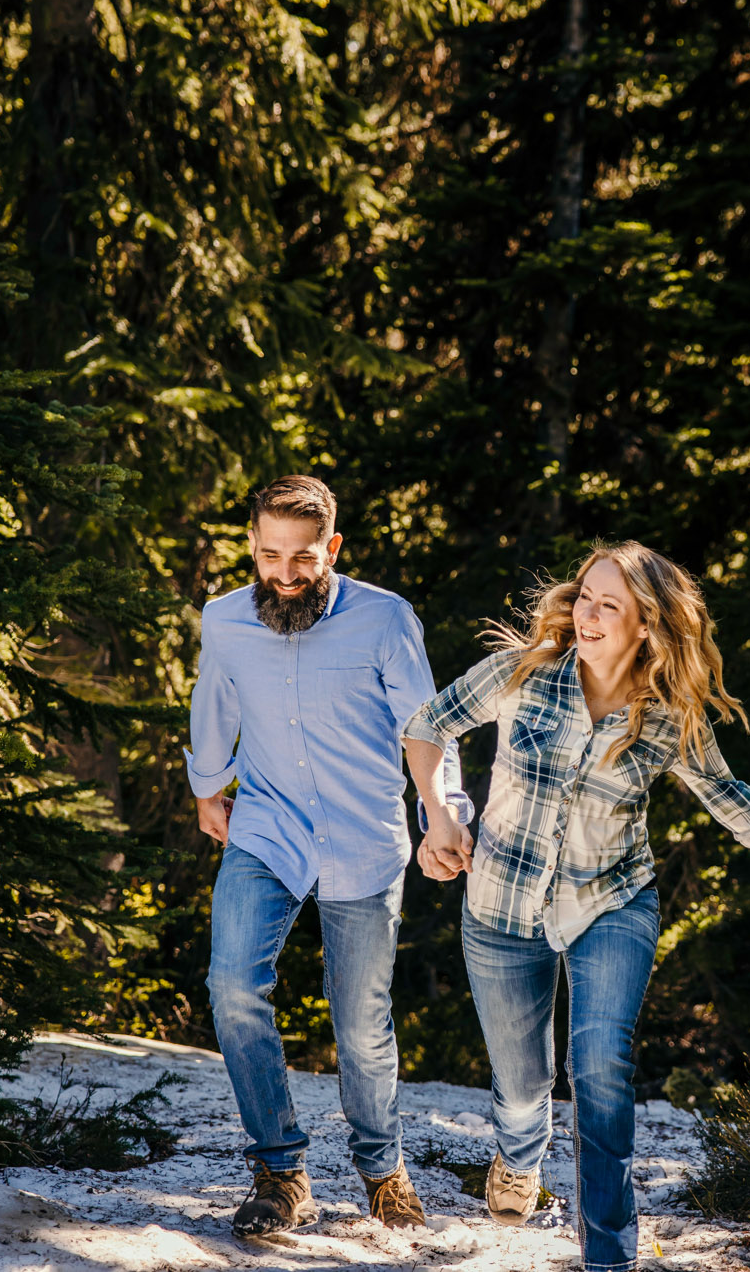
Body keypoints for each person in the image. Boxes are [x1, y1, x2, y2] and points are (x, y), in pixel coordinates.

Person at [400, 541, 750, 1271]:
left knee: (599, 1064)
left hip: (613, 902)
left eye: (611, 606)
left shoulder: (668, 717)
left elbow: (736, 805)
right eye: (585, 598)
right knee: (524, 1084)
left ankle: (609, 1256)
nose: (589, 616)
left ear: (646, 627)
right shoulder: (523, 673)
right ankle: (518, 1156)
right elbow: (427, 725)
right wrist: (441, 817)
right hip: (501, 903)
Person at [187, 475, 473, 1237]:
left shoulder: (384, 619)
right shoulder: (224, 620)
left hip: (361, 837)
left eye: (303, 558)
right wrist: (210, 787)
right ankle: (280, 1171)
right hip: (268, 829)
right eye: (270, 555)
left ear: (332, 548)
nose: (285, 574)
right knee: (232, 984)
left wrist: (439, 814)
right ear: (252, 545)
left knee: (362, 1021)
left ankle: (383, 1173)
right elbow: (214, 700)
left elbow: (425, 725)